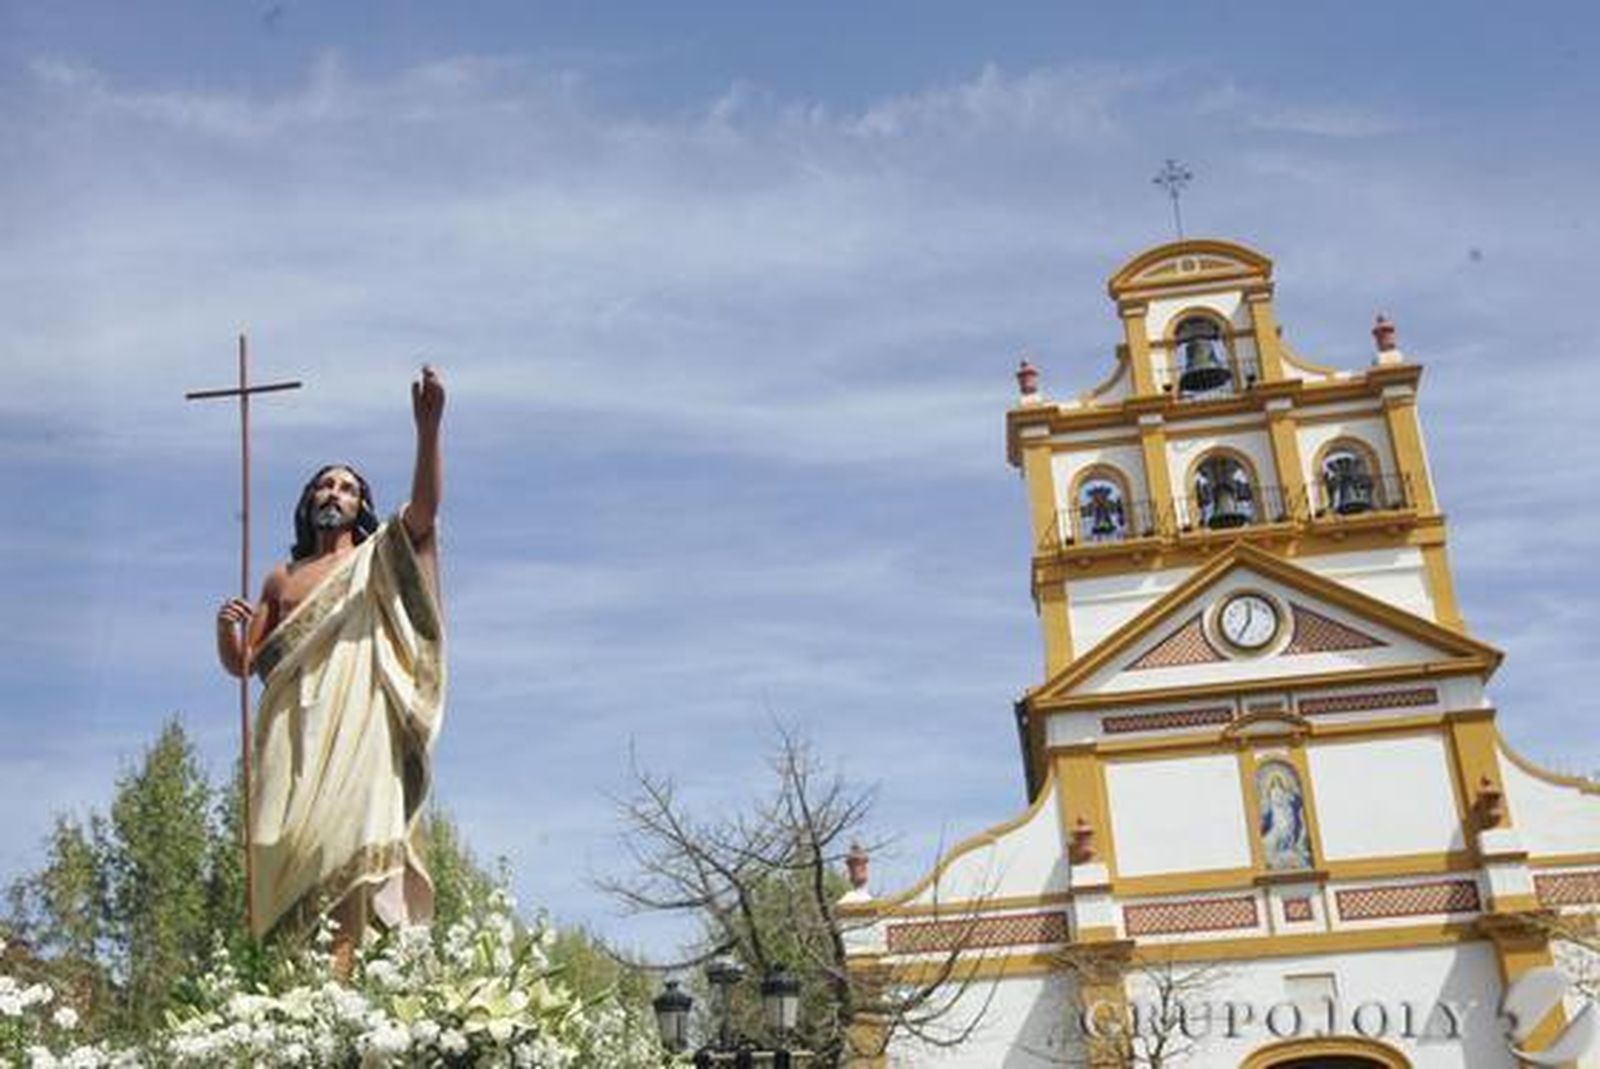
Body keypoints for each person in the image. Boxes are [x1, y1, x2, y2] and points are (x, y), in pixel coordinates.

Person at [215, 366, 446, 969]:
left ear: (361, 505)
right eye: (324, 486)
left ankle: (342, 990)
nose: (334, 494)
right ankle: (294, 988)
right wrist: (225, 628)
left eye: (346, 488)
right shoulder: (281, 577)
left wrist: (428, 428)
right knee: (283, 845)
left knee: (350, 840)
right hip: (292, 728)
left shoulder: (377, 558)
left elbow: (422, 511)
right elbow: (244, 665)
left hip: (359, 720)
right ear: (307, 502)